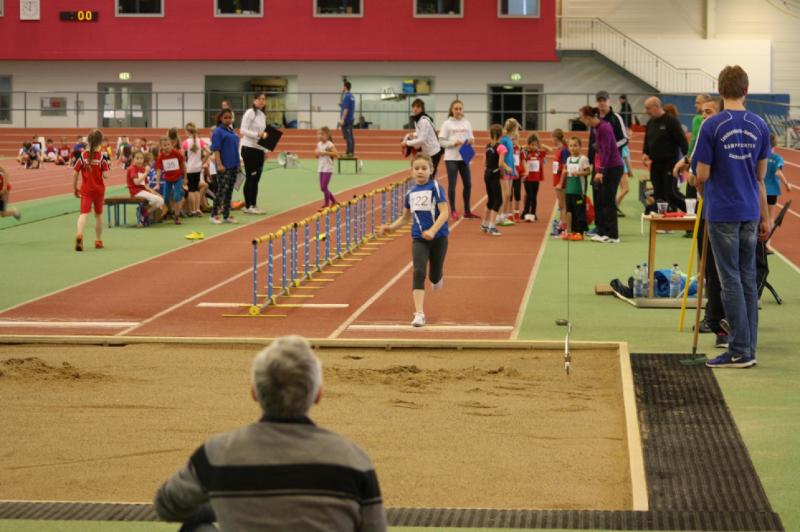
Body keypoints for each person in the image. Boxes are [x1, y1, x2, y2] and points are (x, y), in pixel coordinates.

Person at [154, 336, 387, 532]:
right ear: (318, 394)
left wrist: (225, 500)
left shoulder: (217, 453)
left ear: (254, 393)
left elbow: (166, 506)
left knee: (195, 527)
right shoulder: (353, 458)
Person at [694, 65, 772, 369]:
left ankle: (739, 350)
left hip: (723, 211)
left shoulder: (711, 126)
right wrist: (765, 217)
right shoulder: (760, 125)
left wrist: (698, 183)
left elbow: (702, 173)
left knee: (730, 281)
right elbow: (760, 177)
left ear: (720, 90)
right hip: (750, 211)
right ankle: (748, 347)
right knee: (748, 279)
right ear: (746, 90)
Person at [378, 153, 449, 327]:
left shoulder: (436, 187)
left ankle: (437, 277)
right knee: (418, 271)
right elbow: (405, 218)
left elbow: (445, 213)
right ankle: (419, 313)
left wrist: (432, 231)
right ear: (411, 171)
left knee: (434, 276)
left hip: (438, 237)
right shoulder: (410, 193)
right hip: (419, 238)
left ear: (431, 170)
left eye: (424, 168)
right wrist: (390, 228)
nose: (420, 171)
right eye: (416, 168)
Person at [578, 106, 625, 243]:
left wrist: (601, 171)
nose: (581, 120)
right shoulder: (596, 128)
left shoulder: (604, 128)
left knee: (609, 201)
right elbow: (599, 151)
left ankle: (613, 235)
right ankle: (603, 232)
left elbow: (607, 151)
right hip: (606, 167)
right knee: (602, 201)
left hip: (613, 168)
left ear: (588, 117)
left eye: (582, 117)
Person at [587, 91, 628, 234]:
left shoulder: (616, 118)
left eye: (604, 100)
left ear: (609, 101)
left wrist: (609, 147)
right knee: (597, 195)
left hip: (611, 164)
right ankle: (600, 227)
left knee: (607, 197)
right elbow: (592, 141)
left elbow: (625, 139)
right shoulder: (595, 119)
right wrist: (589, 160)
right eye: (599, 100)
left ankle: (609, 230)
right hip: (597, 163)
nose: (601, 103)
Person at [642, 96, 689, 213]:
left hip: (670, 163)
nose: (646, 111)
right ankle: (663, 219)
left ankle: (693, 211)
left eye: (648, 108)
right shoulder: (650, 123)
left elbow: (683, 142)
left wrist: (686, 161)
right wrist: (645, 153)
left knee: (671, 193)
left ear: (656, 106)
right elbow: (647, 140)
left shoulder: (671, 121)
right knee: (658, 194)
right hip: (655, 164)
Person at [438, 100, 478, 220]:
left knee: (468, 184)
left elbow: (472, 138)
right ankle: (453, 211)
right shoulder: (447, 124)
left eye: (460, 108)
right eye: (456, 109)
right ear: (452, 110)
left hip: (464, 156)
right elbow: (441, 142)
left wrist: (471, 141)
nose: (458, 111)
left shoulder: (467, 123)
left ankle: (467, 211)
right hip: (451, 158)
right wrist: (453, 143)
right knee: (452, 184)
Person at [72, 129, 109, 251]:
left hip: (86, 190)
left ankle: (79, 235)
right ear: (100, 142)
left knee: (83, 214)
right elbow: (106, 175)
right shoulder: (102, 157)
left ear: (88, 141)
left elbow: (75, 174)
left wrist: (74, 188)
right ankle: (98, 241)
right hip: (99, 190)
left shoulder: (82, 156)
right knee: (98, 215)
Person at [210, 108, 241, 224]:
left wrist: (238, 164)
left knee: (229, 192)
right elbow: (216, 150)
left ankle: (226, 215)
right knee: (221, 191)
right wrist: (219, 165)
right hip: (224, 167)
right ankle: (214, 215)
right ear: (220, 119)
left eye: (230, 117)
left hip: (233, 165)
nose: (228, 120)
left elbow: (235, 149)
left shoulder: (231, 131)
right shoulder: (218, 132)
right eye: (225, 118)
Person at [240, 93, 269, 215]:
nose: (262, 101)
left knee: (256, 179)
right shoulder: (250, 112)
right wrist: (257, 134)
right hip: (249, 148)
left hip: (259, 150)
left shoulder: (262, 115)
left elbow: (264, 133)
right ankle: (248, 206)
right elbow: (243, 130)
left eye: (264, 99)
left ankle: (254, 204)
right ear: (254, 100)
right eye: (259, 99)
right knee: (251, 177)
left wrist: (265, 150)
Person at [559, 137, 591, 239]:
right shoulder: (568, 159)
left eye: (575, 145)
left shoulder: (583, 159)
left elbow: (588, 171)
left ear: (580, 147)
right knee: (570, 211)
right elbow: (565, 170)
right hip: (569, 190)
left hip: (579, 191)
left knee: (579, 212)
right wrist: (562, 179)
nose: (573, 148)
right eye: (571, 146)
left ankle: (580, 232)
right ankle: (571, 231)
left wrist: (579, 173)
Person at [402, 98, 442, 178]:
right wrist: (413, 134)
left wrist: (406, 143)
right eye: (414, 107)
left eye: (418, 107)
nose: (415, 109)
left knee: (429, 177)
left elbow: (422, 140)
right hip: (427, 153)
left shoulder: (424, 120)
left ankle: (434, 185)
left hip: (433, 153)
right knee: (427, 177)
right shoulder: (418, 119)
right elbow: (422, 133)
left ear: (422, 108)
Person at [480, 124, 507, 236]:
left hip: (487, 173)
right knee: (498, 200)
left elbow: (484, 162)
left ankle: (484, 224)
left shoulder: (487, 146)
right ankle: (492, 227)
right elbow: (500, 163)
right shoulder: (501, 147)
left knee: (491, 200)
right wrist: (506, 170)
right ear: (501, 135)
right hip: (494, 173)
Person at [126, 151, 164, 227]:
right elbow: (136, 182)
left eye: (141, 158)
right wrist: (146, 173)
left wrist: (154, 192)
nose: (139, 160)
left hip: (143, 191)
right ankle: (142, 213)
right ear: (133, 159)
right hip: (136, 192)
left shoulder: (143, 169)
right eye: (137, 158)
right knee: (155, 200)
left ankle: (144, 213)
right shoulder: (132, 168)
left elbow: (145, 185)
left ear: (143, 160)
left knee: (161, 200)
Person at [520, 133, 552, 222]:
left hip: (536, 179)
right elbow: (520, 149)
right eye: (531, 145)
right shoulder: (526, 153)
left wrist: (541, 145)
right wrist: (526, 146)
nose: (533, 146)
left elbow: (550, 150)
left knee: (534, 196)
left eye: (535, 145)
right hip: (528, 178)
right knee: (529, 195)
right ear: (528, 145)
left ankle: (533, 213)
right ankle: (526, 212)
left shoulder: (539, 153)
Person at [157, 136, 187, 225]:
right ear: (161, 147)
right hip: (168, 179)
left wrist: (185, 177)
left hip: (178, 178)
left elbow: (183, 165)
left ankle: (176, 216)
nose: (167, 147)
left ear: (171, 145)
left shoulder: (176, 153)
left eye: (168, 145)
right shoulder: (161, 156)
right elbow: (158, 170)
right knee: (165, 198)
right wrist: (158, 183)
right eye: (165, 145)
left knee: (176, 197)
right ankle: (170, 211)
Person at [183, 123, 210, 217]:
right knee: (197, 190)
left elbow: (182, 157)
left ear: (187, 131)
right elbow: (209, 152)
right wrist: (202, 162)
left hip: (189, 168)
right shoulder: (200, 141)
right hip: (198, 168)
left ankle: (193, 210)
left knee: (191, 190)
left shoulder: (186, 142)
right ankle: (197, 209)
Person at [497, 118, 520, 226]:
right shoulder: (504, 140)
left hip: (510, 169)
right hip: (505, 170)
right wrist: (504, 168)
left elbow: (510, 156)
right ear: (514, 128)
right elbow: (500, 154)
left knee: (508, 194)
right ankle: (499, 216)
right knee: (505, 194)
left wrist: (514, 169)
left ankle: (504, 216)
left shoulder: (510, 139)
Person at [764, 134, 790, 226]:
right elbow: (778, 173)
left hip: (760, 190)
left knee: (760, 216)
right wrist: (787, 184)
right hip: (772, 191)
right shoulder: (778, 158)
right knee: (770, 217)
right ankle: (768, 235)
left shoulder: (760, 157)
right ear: (775, 145)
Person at [315, 126, 338, 209]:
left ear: (327, 135)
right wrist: (317, 153)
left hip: (328, 168)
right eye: (319, 134)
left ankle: (331, 202)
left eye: (322, 134)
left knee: (323, 187)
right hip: (321, 168)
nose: (320, 136)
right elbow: (316, 156)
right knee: (323, 188)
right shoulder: (319, 144)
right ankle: (330, 203)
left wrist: (325, 153)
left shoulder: (329, 144)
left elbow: (336, 154)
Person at [551, 129, 569, 230]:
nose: (552, 140)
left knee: (563, 204)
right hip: (557, 180)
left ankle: (564, 224)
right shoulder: (559, 150)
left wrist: (561, 183)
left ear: (556, 138)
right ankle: (561, 222)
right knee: (561, 204)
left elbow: (565, 168)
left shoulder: (564, 151)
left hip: (561, 181)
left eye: (552, 138)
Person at [339, 81, 356, 156]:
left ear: (345, 87)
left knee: (347, 136)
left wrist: (342, 119)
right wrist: (341, 105)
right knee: (350, 136)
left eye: (343, 86)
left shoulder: (347, 96)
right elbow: (347, 106)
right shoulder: (352, 96)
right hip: (350, 119)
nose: (342, 88)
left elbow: (346, 109)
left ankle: (349, 152)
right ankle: (350, 151)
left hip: (347, 120)